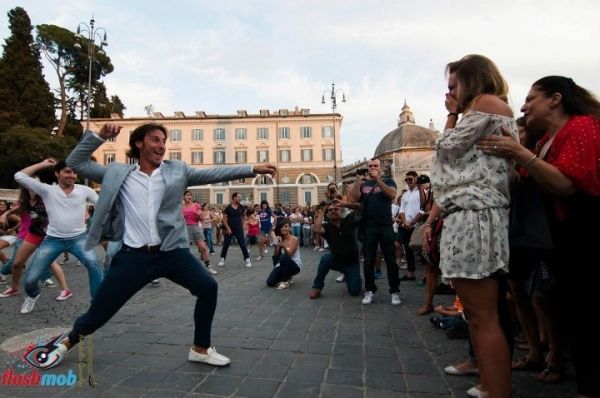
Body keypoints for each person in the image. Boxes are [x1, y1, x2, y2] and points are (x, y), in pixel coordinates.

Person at [27, 122, 276, 370]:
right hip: (133, 256)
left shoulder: (177, 170)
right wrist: (98, 136)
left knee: (208, 287)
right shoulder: (117, 172)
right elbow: (77, 162)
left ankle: (201, 349)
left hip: (171, 253)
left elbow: (214, 173)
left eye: (163, 142)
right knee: (101, 310)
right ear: (139, 143)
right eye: (156, 140)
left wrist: (253, 168)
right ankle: (65, 343)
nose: (161, 146)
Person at [477, 76, 600, 397]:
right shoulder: (546, 138)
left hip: (585, 233)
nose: (523, 106)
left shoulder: (581, 127)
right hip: (559, 236)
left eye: (531, 99)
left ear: (555, 99)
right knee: (571, 310)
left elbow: (565, 184)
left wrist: (520, 154)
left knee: (586, 313)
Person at [422, 54, 517, 398]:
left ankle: (498, 389)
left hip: (476, 215)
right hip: (468, 215)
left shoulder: (487, 104)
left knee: (483, 315)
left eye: (453, 86)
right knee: (476, 315)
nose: (449, 94)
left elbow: (445, 148)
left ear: (473, 79)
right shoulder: (480, 110)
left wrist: (451, 113)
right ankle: (491, 383)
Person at [14, 159, 102, 314]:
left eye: (74, 172)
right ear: (57, 173)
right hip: (52, 241)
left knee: (93, 263)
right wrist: (43, 164)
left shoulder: (85, 190)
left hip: (78, 239)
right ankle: (33, 294)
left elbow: (103, 205)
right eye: (67, 171)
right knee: (30, 280)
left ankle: (98, 303)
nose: (72, 175)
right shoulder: (47, 190)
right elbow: (19, 176)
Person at [348, 158, 401, 306]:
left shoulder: (389, 181)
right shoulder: (364, 185)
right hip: (369, 227)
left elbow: (391, 195)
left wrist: (377, 179)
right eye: (370, 166)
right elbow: (354, 199)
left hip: (385, 226)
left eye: (375, 166)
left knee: (390, 260)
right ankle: (370, 290)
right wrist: (358, 181)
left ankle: (395, 291)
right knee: (368, 261)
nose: (372, 168)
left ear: (381, 167)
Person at [308, 202, 362, 299]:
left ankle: (350, 276)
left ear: (341, 211)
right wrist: (323, 209)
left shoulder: (349, 220)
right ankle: (317, 287)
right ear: (327, 215)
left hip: (351, 263)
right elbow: (316, 228)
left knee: (355, 292)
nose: (333, 211)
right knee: (325, 259)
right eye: (330, 210)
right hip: (336, 260)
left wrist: (344, 203)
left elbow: (361, 207)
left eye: (336, 209)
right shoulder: (327, 226)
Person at [397, 170, 424, 282]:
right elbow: (402, 209)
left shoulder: (422, 193)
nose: (408, 181)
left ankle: (426, 276)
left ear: (416, 179)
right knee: (407, 250)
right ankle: (410, 273)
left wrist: (412, 222)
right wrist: (404, 222)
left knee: (422, 251)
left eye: (410, 179)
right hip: (406, 225)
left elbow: (422, 209)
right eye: (406, 180)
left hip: (417, 225)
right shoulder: (405, 195)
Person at [183, 191, 217, 275]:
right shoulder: (181, 207)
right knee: (185, 250)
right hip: (185, 228)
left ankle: (208, 267)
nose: (189, 196)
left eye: (190, 195)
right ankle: (185, 268)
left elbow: (202, 219)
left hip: (196, 227)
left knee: (203, 248)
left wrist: (200, 216)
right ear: (183, 197)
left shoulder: (196, 205)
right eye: (187, 195)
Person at [217, 192, 251, 268]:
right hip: (229, 230)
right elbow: (224, 219)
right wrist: (228, 228)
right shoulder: (228, 208)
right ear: (234, 198)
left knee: (243, 245)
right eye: (239, 197)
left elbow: (244, 218)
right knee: (226, 245)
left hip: (239, 229)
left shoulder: (242, 207)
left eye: (240, 197)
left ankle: (248, 260)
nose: (240, 198)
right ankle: (222, 260)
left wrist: (243, 226)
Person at [266, 220, 301, 290]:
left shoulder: (295, 239)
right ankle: (287, 276)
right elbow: (276, 256)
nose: (283, 228)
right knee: (270, 283)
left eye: (286, 226)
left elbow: (290, 254)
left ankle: (285, 281)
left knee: (284, 256)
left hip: (294, 266)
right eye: (281, 227)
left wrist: (283, 246)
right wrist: (276, 246)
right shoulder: (278, 238)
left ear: (290, 228)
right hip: (282, 264)